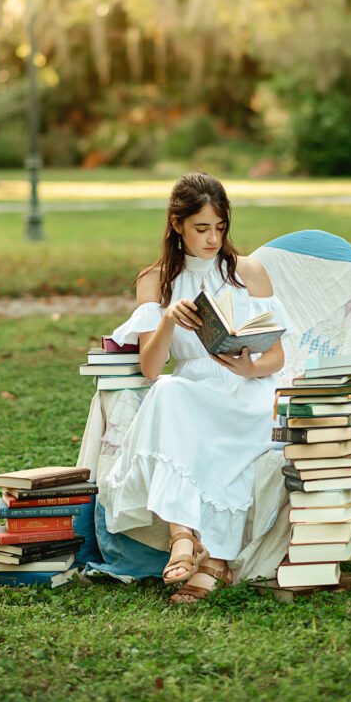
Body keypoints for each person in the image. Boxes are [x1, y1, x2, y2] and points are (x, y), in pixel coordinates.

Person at [100, 172, 291, 603]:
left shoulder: (248, 272)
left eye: (220, 228)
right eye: (201, 228)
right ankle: (184, 535)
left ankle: (210, 557)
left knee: (186, 408)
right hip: (191, 392)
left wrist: (248, 367)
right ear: (177, 224)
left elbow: (277, 357)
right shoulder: (155, 280)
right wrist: (167, 318)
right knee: (166, 391)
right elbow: (151, 369)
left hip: (247, 393)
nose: (212, 239)